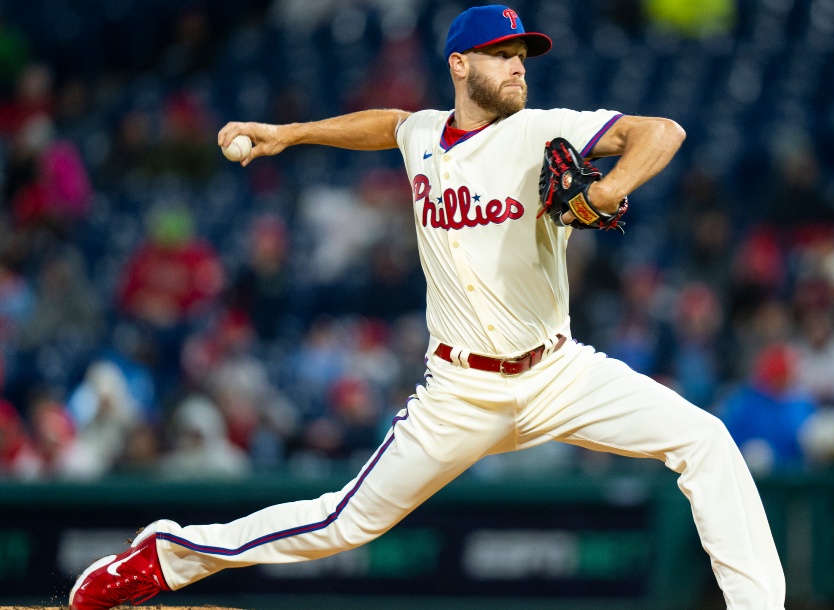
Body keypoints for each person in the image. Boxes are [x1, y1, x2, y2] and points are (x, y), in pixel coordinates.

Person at [68, 6, 785, 610]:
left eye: (522, 55)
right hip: (461, 393)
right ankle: (167, 559)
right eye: (500, 55)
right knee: (342, 524)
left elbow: (663, 131)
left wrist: (605, 188)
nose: (517, 67)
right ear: (459, 66)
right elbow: (389, 123)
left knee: (705, 440)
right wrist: (288, 135)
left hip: (558, 374)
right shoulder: (423, 135)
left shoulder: (540, 130)